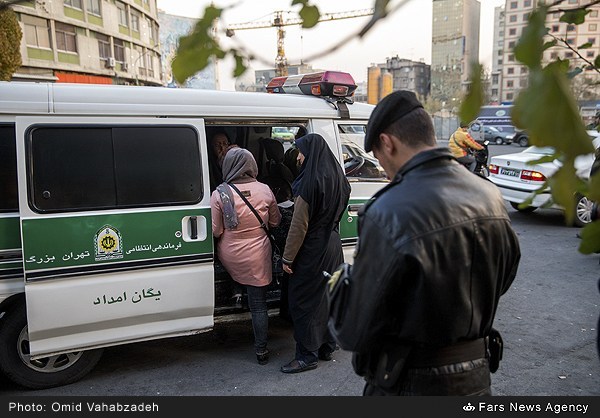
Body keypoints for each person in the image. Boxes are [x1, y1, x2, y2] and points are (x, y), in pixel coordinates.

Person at [327, 90, 521, 395]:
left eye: (377, 156)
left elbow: (353, 332)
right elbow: (504, 277)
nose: (381, 167)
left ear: (387, 143)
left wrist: (340, 285)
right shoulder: (490, 195)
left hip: (410, 385)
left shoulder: (388, 211)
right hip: (477, 382)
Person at [280, 133, 351, 374]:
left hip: (312, 248)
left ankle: (306, 355)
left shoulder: (308, 184)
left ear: (310, 154)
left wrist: (287, 258)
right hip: (333, 244)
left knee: (303, 301)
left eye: (301, 152)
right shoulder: (340, 179)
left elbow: (298, 226)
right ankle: (327, 346)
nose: (298, 157)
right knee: (326, 297)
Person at [210, 147, 282, 365]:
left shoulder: (220, 194)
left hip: (231, 255)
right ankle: (261, 350)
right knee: (259, 305)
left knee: (236, 272)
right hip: (259, 254)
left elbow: (216, 231)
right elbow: (275, 222)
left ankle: (237, 290)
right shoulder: (265, 190)